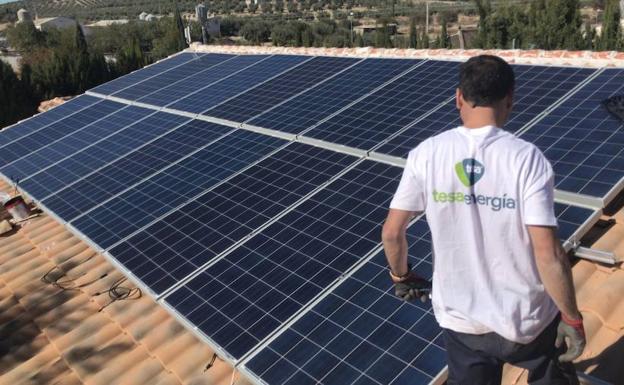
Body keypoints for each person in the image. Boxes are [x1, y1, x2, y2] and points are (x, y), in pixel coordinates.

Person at [382, 55, 585, 385]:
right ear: (509, 99)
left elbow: (392, 233)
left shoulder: (427, 153)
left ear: (458, 97)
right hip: (527, 321)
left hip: (463, 324)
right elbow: (547, 253)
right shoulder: (526, 158)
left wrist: (401, 275)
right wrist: (572, 318)